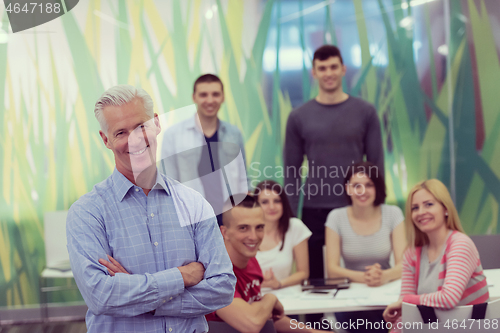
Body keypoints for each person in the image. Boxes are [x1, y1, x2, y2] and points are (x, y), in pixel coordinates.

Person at [66, 85, 236, 333]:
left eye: (140, 126)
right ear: (106, 140)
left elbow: (222, 289)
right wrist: (181, 276)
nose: (134, 139)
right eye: (121, 132)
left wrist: (140, 298)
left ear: (156, 124)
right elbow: (101, 296)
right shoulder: (87, 213)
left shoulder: (194, 203)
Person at [284, 45, 384, 280]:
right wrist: (289, 217)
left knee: (363, 274)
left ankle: (363, 319)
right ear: (314, 72)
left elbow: (376, 164)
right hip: (313, 209)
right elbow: (292, 170)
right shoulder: (298, 117)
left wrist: (377, 204)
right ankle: (316, 320)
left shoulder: (365, 112)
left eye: (333, 67)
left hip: (356, 205)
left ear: (343, 69)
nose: (328, 72)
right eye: (322, 68)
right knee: (316, 278)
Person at [206, 195, 326, 333]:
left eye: (259, 227)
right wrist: (270, 298)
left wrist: (314, 332)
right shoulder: (214, 273)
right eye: (243, 228)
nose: (253, 236)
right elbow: (252, 323)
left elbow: (267, 318)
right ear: (224, 232)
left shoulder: (251, 260)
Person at [383, 179, 489, 332]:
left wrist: (405, 301)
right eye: (415, 208)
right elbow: (405, 311)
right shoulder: (411, 254)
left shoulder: (460, 244)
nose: (421, 212)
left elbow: (449, 298)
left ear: (445, 209)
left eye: (429, 204)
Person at [325, 161, 405, 332]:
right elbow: (332, 270)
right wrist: (367, 278)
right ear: (347, 189)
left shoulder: (393, 213)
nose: (362, 191)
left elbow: (404, 265)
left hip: (386, 294)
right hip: (350, 300)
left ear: (377, 188)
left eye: (369, 185)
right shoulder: (336, 217)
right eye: (356, 185)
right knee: (365, 321)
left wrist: (383, 276)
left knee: (390, 317)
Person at [161, 74, 248, 226]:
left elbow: (243, 178)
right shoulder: (173, 135)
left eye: (215, 94)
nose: (209, 100)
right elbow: (168, 182)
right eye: (203, 95)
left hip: (231, 217)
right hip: (193, 216)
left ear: (223, 97)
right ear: (194, 97)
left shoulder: (234, 134)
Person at [254, 180, 312, 289]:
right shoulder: (246, 231)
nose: (272, 207)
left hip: (285, 295)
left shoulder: (295, 226)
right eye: (265, 202)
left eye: (277, 201)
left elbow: (303, 273)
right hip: (252, 297)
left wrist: (278, 284)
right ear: (256, 205)